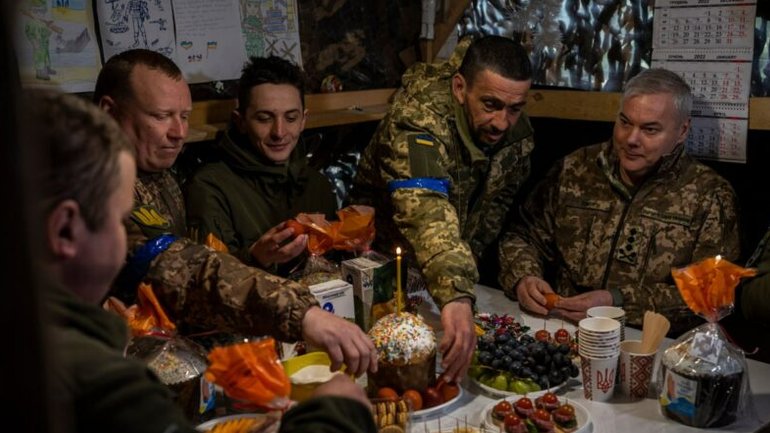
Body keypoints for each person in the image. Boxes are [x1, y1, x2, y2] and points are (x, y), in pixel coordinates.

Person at [32, 90, 376, 433]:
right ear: (64, 230)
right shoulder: (93, 384)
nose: (178, 131)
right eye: (118, 220)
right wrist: (337, 414)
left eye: (184, 116)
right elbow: (178, 265)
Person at [94, 49, 375, 376]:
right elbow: (184, 268)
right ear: (109, 112)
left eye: (184, 116)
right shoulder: (94, 186)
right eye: (160, 116)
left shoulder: (159, 175)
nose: (179, 132)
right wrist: (303, 313)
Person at [499, 68, 740, 336]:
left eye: (650, 129)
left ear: (682, 131)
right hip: (559, 331)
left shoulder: (709, 195)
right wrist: (524, 276)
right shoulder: (577, 168)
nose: (631, 139)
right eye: (625, 122)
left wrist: (617, 301)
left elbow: (712, 297)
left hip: (647, 344)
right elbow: (522, 235)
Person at [350, 35, 535, 382]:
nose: (502, 122)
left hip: (447, 275)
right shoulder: (417, 120)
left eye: (515, 108)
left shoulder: (517, 133)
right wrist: (456, 295)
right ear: (460, 87)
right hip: (384, 272)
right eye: (491, 104)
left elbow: (495, 207)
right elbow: (426, 210)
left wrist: (460, 279)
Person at [185, 56, 336, 275]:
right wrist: (256, 257)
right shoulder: (210, 187)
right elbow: (205, 279)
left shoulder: (317, 186)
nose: (279, 132)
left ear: (303, 120)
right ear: (241, 122)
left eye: (291, 118)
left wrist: (351, 247)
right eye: (264, 118)